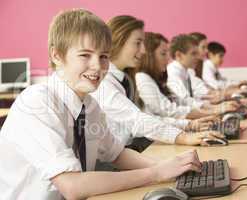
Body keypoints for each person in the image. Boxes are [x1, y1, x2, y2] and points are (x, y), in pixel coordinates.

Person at [0, 9, 202, 199]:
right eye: (85, 55)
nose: (97, 66)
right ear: (56, 55)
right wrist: (155, 173)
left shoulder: (90, 105)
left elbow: (117, 154)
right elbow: (72, 186)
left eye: (104, 56)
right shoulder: (37, 102)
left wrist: (171, 167)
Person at [92, 16, 223, 150]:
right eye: (137, 43)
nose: (143, 50)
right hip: (117, 157)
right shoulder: (104, 83)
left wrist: (187, 125)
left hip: (127, 151)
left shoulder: (126, 79)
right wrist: (183, 135)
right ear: (117, 41)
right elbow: (138, 120)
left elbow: (148, 117)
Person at [136, 32, 220, 125]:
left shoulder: (182, 73)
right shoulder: (142, 78)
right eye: (163, 54)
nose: (168, 58)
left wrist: (212, 110)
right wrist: (211, 112)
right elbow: (167, 110)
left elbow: (179, 100)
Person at [166, 34, 240, 115]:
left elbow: (192, 98)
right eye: (193, 53)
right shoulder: (173, 73)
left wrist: (216, 105)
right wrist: (216, 108)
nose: (198, 57)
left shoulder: (185, 71)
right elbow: (185, 102)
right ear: (179, 55)